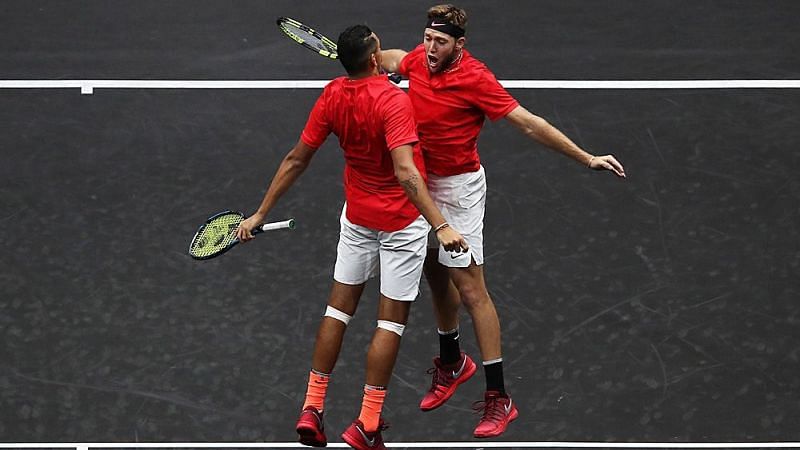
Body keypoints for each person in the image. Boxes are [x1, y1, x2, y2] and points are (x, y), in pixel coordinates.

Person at [379, 4, 626, 438]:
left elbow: (530, 124)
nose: (430, 48)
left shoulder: (476, 78)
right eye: (428, 38)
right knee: (436, 274)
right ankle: (453, 362)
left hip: (459, 191)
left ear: (460, 45)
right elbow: (398, 58)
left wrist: (586, 158)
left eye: (440, 42)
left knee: (472, 288)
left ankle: (499, 397)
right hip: (423, 186)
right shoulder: (420, 58)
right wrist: (371, 57)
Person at [235, 24, 468, 449]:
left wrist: (260, 214)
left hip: (357, 219)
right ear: (375, 56)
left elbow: (296, 158)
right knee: (389, 322)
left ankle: (312, 408)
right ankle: (367, 422)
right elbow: (405, 172)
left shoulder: (332, 95)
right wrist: (441, 224)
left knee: (338, 312)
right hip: (400, 224)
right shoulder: (394, 102)